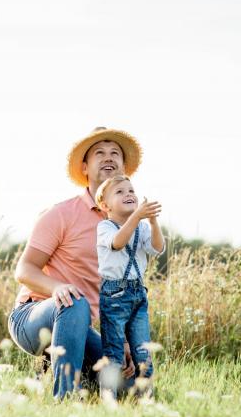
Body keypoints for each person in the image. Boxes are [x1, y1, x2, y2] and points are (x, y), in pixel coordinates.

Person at [8, 127, 142, 399]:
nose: (109, 157)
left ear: (123, 166)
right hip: (32, 316)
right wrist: (58, 287)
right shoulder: (61, 214)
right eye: (99, 153)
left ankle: (62, 375)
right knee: (74, 300)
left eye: (115, 153)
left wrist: (124, 340)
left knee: (132, 386)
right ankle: (64, 398)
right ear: (85, 167)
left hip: (80, 325)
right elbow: (24, 270)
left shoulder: (127, 229)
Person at [94, 175, 164, 396]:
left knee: (143, 353)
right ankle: (109, 398)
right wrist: (137, 216)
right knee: (114, 353)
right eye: (120, 192)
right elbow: (117, 242)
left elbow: (157, 248)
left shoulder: (142, 227)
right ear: (105, 206)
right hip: (114, 294)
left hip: (138, 294)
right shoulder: (105, 226)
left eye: (131, 190)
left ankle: (146, 398)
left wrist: (152, 222)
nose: (129, 194)